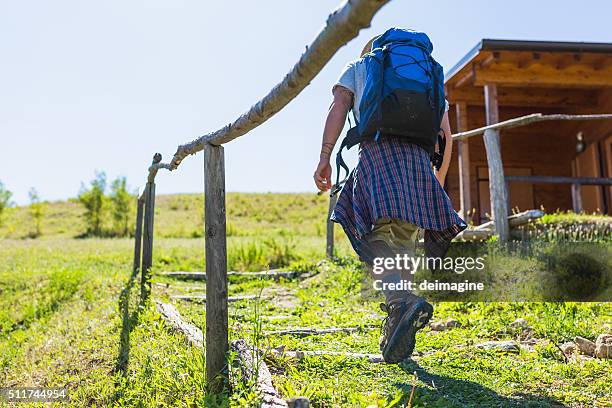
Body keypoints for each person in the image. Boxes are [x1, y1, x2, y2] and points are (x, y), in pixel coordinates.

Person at [313, 31, 466, 364]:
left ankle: (400, 302)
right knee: (402, 242)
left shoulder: (360, 65)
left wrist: (325, 156)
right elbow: (445, 134)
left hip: (379, 154)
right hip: (419, 165)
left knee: (375, 236)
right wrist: (436, 180)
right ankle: (399, 326)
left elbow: (338, 105)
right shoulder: (430, 75)